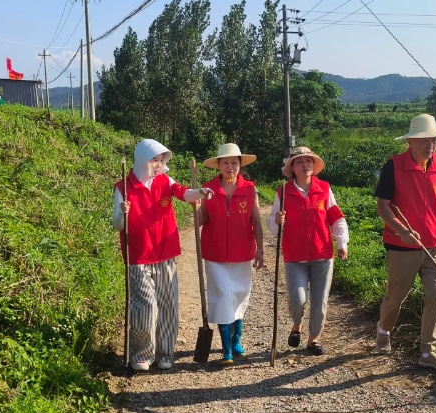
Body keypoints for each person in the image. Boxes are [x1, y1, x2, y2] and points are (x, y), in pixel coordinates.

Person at [113, 138, 214, 371]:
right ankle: (141, 353)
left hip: (165, 252)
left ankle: (165, 352)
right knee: (145, 306)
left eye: (160, 160)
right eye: (153, 160)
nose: (158, 165)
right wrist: (122, 213)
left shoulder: (164, 181)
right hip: (139, 255)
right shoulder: (123, 188)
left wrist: (199, 192)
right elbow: (117, 224)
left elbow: (182, 193)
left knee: (168, 304)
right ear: (141, 160)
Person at [373, 114, 436, 370]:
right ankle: (384, 330)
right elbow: (383, 207)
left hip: (434, 243)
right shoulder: (393, 166)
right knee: (396, 296)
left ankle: (428, 352)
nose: (430, 145)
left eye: (434, 140)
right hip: (402, 245)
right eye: (424, 141)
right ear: (410, 142)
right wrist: (401, 230)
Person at [267, 147, 349, 356]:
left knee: (320, 300)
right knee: (298, 298)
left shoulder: (324, 189)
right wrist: (277, 220)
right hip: (295, 256)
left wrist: (342, 243)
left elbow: (336, 217)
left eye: (309, 161)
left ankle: (314, 339)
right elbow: (272, 224)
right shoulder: (283, 192)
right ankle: (297, 325)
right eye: (300, 162)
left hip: (323, 254)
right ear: (292, 168)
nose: (305, 165)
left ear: (314, 166)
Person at [197, 143, 265, 366]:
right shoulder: (207, 189)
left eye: (234, 162)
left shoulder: (250, 189)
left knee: (238, 295)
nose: (230, 166)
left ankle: (236, 341)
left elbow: (255, 220)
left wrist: (260, 249)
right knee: (223, 296)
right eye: (225, 162)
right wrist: (196, 206)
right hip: (215, 255)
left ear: (240, 165)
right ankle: (226, 350)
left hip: (242, 253)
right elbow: (201, 220)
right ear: (218, 165)